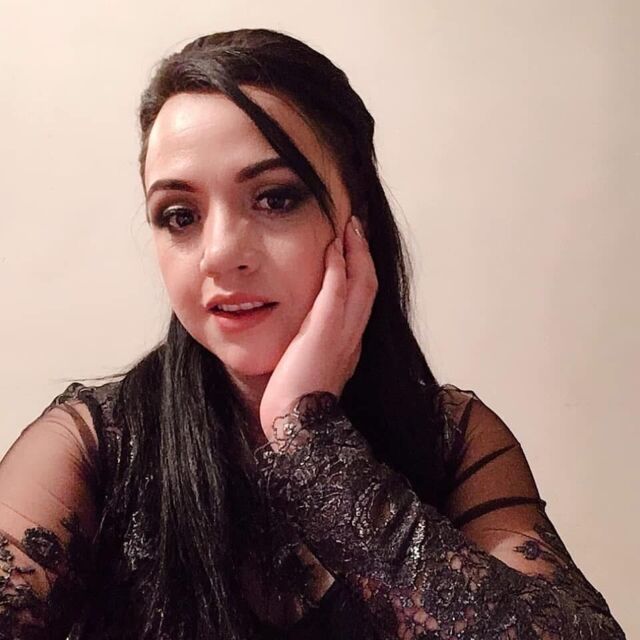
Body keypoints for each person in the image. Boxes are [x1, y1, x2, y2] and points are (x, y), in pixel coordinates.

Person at [0, 28, 625, 640]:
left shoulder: (453, 440)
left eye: (275, 199)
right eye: (180, 215)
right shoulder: (93, 447)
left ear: (357, 219)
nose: (220, 254)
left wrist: (310, 441)